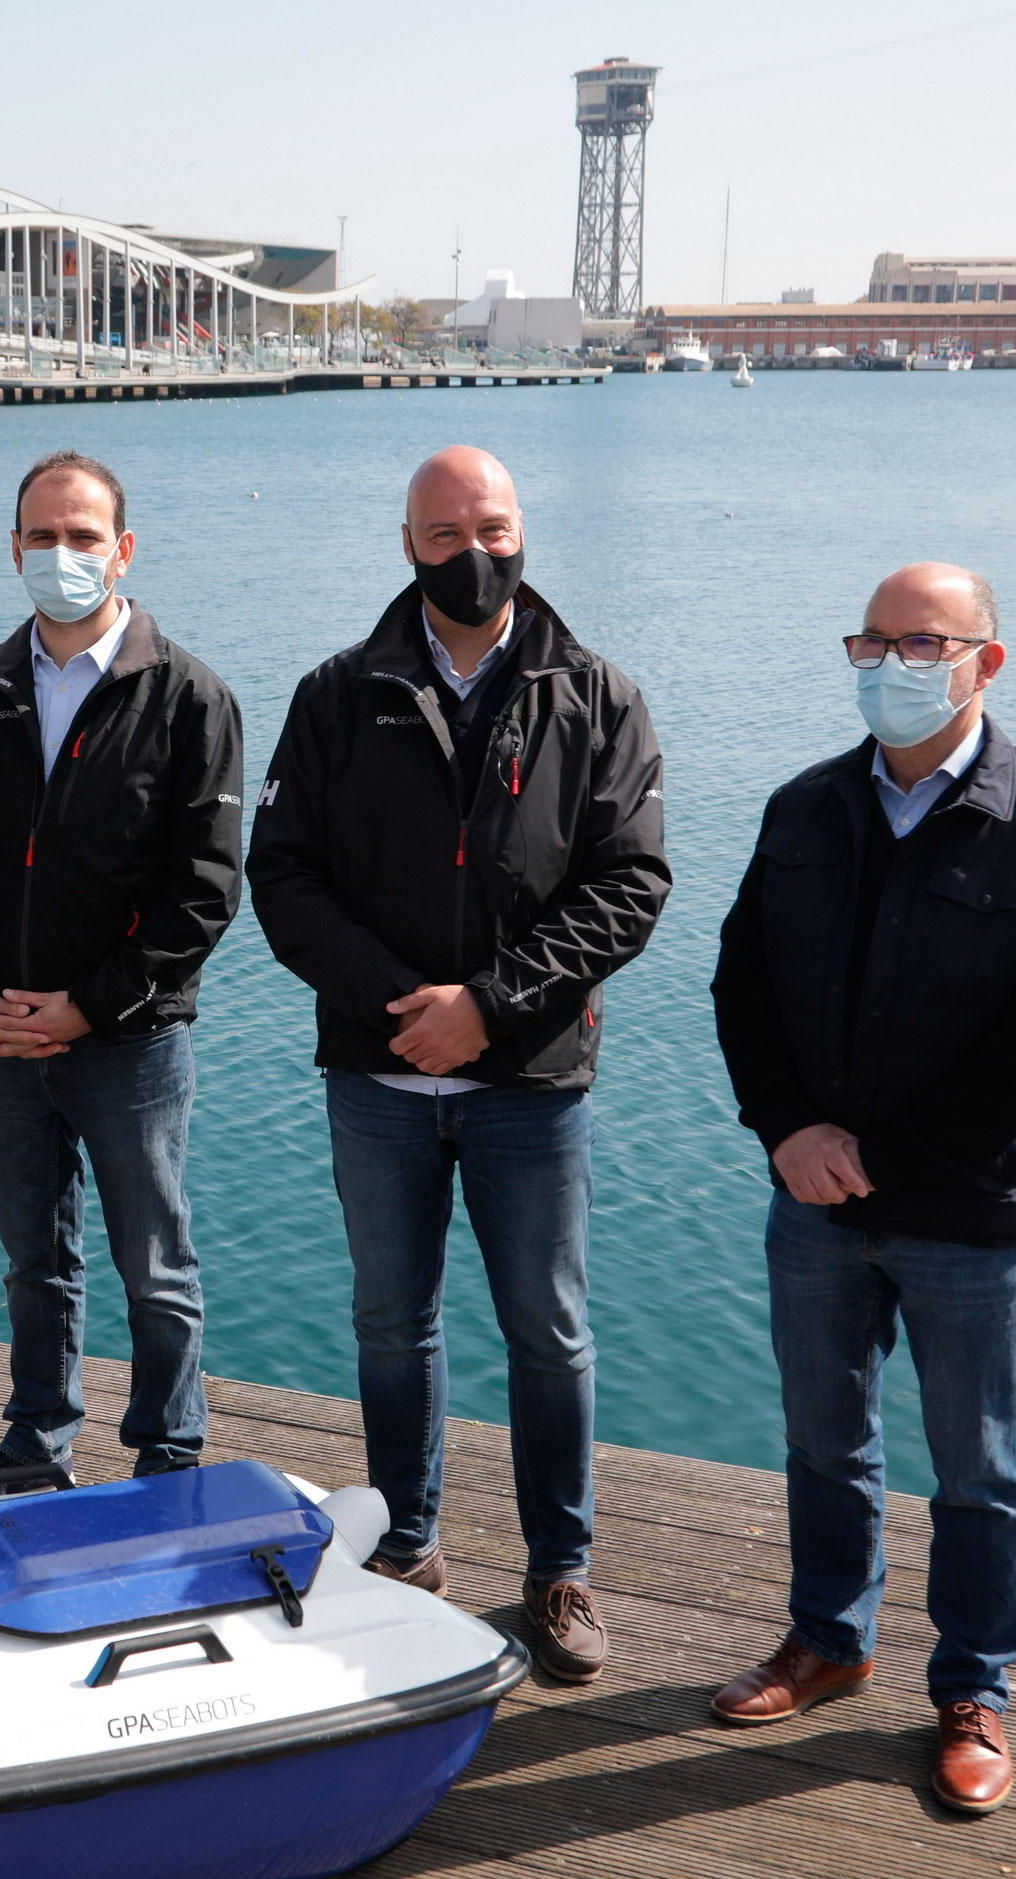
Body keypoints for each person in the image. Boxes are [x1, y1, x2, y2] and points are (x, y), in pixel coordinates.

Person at [248, 445, 669, 1682]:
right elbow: (283, 876)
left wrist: (487, 1007)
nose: (472, 554)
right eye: (444, 535)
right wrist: (403, 1009)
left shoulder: (598, 696)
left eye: (491, 530)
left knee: (550, 1330)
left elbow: (629, 884)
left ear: (522, 531)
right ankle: (409, 1543)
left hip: (528, 1082)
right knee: (392, 1322)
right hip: (379, 1078)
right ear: (407, 545)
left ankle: (561, 1569)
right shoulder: (336, 695)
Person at [707, 561, 1016, 1816]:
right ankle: (830, 1639)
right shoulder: (803, 809)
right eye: (872, 643)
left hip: (972, 1214)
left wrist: (880, 1156)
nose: (892, 665)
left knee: (980, 1466)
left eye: (923, 643)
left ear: (987, 660)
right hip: (814, 1202)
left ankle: (974, 1689)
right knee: (824, 1441)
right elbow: (742, 981)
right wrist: (786, 1129)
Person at [0, 450, 244, 1482]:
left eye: (84, 536)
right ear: (14, 548)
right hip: (3, 1038)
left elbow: (205, 888)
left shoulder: (189, 697)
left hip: (130, 1042)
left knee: (156, 1266)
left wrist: (90, 1008)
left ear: (123, 549)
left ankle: (168, 1450)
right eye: (44, 536)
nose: (63, 553)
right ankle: (38, 1436)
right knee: (33, 1264)